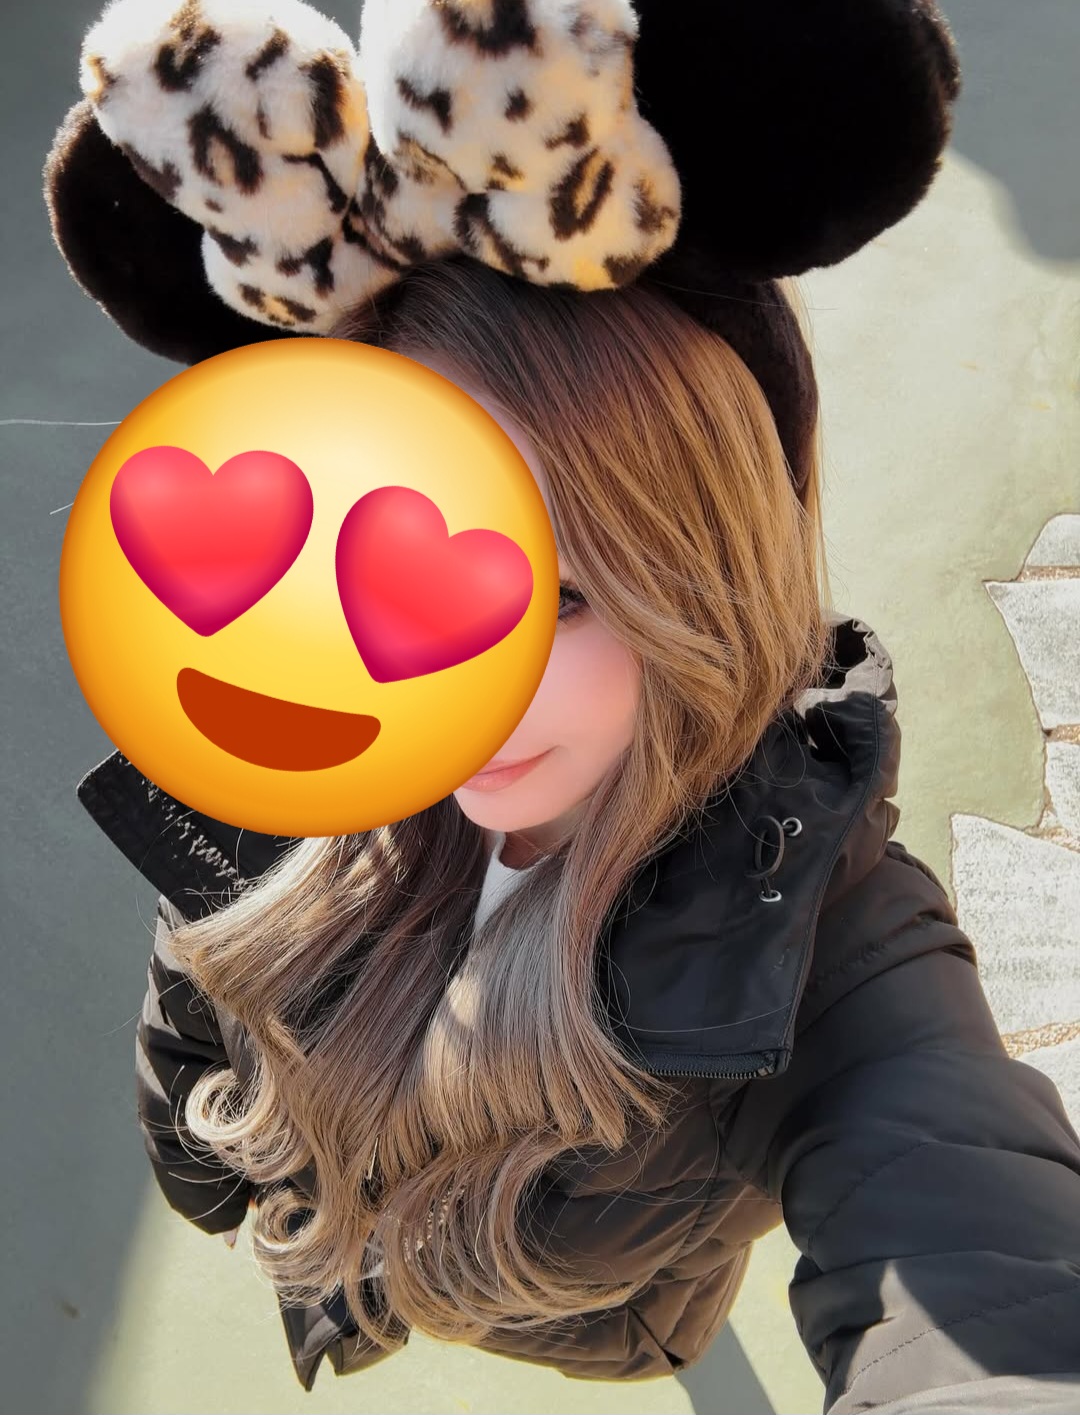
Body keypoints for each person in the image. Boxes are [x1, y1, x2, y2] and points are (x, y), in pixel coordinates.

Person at [47, 1, 1080, 1408]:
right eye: (383, 564)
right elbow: (201, 967)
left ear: (700, 575)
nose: (447, 680)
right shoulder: (286, 715)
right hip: (342, 1259)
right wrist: (195, 1141)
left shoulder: (838, 945)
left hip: (597, 1317)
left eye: (566, 596)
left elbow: (973, 1248)